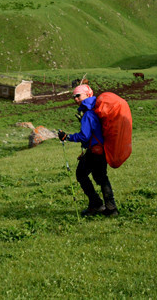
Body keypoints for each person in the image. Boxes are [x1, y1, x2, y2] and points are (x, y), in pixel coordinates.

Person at [58, 84, 118, 217]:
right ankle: (111, 208)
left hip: (94, 151)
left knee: (81, 174)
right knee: (101, 178)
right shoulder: (94, 110)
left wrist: (67, 137)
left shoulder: (88, 114)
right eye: (74, 96)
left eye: (78, 95)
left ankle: (96, 204)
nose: (75, 99)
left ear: (87, 95)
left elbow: (84, 135)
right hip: (101, 150)